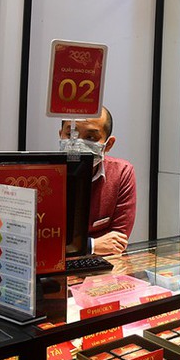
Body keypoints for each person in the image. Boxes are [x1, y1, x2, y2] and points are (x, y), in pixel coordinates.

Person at [59, 106, 136, 256]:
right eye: (70, 134)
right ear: (60, 135)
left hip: (102, 269)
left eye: (90, 137)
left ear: (108, 145)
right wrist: (92, 245)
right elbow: (39, 242)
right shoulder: (43, 175)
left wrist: (69, 245)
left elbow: (117, 241)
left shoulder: (121, 172)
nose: (78, 143)